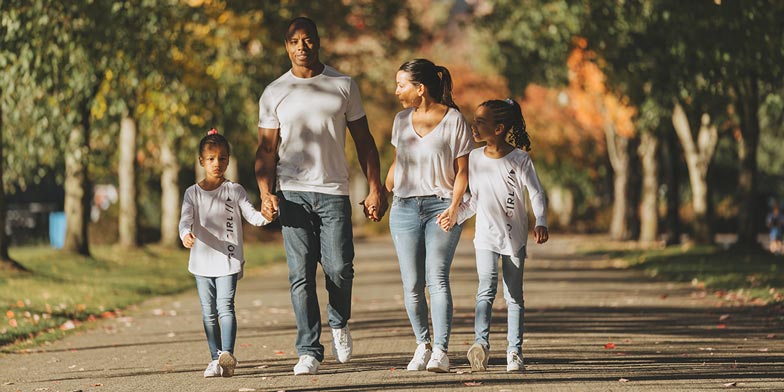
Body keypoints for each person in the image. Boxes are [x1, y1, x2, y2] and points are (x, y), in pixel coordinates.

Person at [255, 17, 387, 375]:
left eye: (308, 39)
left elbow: (364, 141)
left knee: (340, 269)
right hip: (292, 193)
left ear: (318, 42)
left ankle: (339, 322)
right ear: (286, 46)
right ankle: (309, 350)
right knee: (300, 275)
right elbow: (266, 150)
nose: (302, 46)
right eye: (294, 41)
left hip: (334, 190)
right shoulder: (274, 92)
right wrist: (266, 193)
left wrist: (376, 186)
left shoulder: (342, 85)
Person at [438, 99, 548, 373]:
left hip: (515, 239)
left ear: (499, 128)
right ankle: (481, 346)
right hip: (485, 237)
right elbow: (475, 200)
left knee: (514, 296)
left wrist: (541, 221)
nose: (474, 127)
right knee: (485, 291)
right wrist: (456, 216)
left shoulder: (520, 159)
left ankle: (514, 352)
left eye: (481, 123)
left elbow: (536, 193)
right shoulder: (474, 158)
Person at [385, 59, 473, 373]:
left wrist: (454, 207)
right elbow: (399, 162)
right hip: (404, 208)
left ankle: (441, 351)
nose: (396, 91)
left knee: (436, 278)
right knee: (412, 283)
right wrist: (383, 188)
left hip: (441, 208)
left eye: (401, 84)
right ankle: (422, 344)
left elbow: (463, 172)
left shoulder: (454, 120)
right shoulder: (400, 120)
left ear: (419, 89)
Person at [179, 129, 270, 378]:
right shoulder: (192, 193)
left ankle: (226, 356)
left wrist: (267, 215)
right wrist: (185, 233)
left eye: (222, 158)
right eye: (210, 158)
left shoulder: (235, 191)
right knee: (208, 312)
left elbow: (252, 215)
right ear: (201, 161)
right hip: (201, 262)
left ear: (228, 160)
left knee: (226, 307)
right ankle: (214, 358)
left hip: (227, 260)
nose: (216, 164)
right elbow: (184, 220)